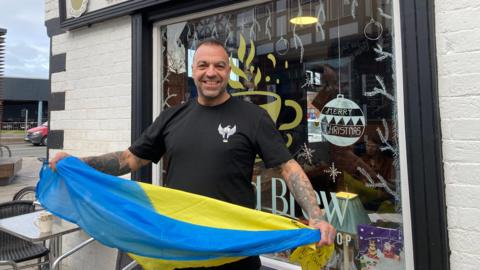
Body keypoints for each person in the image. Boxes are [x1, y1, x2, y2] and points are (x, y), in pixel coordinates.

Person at [50, 39, 335, 270]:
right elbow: (129, 159)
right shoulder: (172, 117)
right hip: (180, 246)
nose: (211, 72)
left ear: (228, 72)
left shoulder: (252, 117)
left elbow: (288, 167)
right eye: (203, 65)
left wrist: (315, 215)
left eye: (219, 66)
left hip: (233, 249)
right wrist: (77, 163)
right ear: (193, 70)